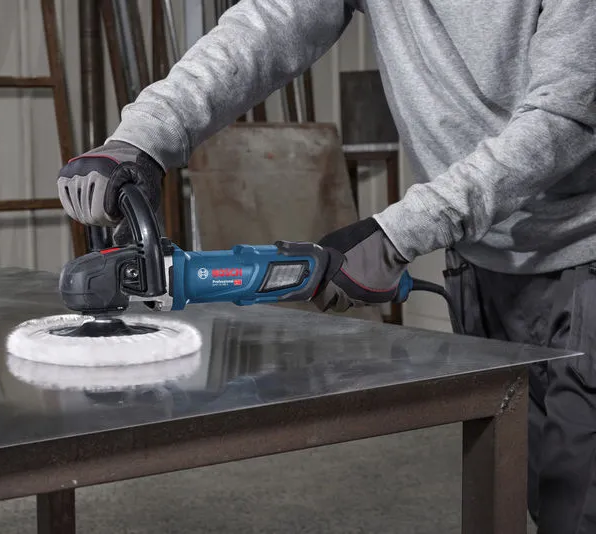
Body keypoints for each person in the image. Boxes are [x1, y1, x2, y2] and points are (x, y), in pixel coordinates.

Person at [56, 1, 596, 531]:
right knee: (539, 490)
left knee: (582, 505)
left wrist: (399, 235)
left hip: (585, 251)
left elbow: (567, 113)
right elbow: (271, 22)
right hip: (480, 262)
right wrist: (143, 138)